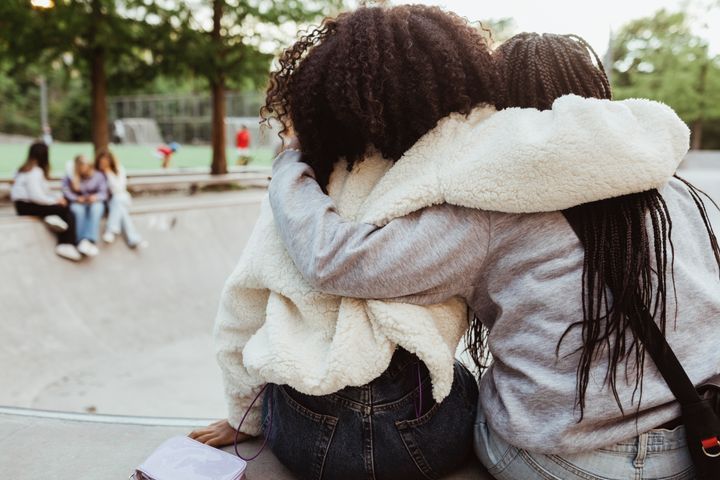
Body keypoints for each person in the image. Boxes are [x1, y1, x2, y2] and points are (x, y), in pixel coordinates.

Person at [193, 7, 691, 480]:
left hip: (552, 461)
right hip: (691, 438)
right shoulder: (682, 193)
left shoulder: (489, 207)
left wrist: (287, 166)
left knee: (469, 389)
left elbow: (328, 263)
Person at [11, 142, 81, 261]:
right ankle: (65, 243)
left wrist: (55, 199)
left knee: (61, 206)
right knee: (67, 209)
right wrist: (55, 202)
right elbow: (36, 196)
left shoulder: (25, 169)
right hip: (26, 205)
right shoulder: (34, 171)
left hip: (23, 205)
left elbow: (45, 192)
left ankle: (51, 217)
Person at [95, 149, 147, 249]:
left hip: (122, 197)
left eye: (106, 162)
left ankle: (111, 230)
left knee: (118, 199)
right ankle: (134, 238)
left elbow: (119, 188)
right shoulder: (96, 173)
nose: (103, 164)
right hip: (109, 202)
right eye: (102, 162)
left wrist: (108, 172)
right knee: (122, 211)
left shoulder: (119, 169)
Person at [62, 155, 107, 257]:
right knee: (77, 211)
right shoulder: (71, 176)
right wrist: (76, 198)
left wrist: (95, 197)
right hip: (78, 203)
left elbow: (104, 193)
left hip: (94, 202)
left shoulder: (98, 175)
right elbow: (65, 191)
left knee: (96, 209)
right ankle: (81, 240)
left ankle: (90, 240)